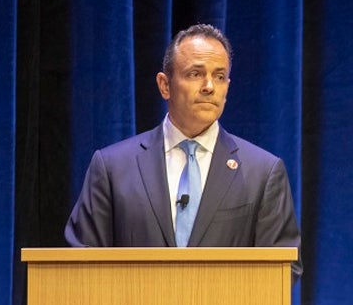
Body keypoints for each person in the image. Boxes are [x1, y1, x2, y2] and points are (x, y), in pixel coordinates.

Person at [65, 23, 303, 276]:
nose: (209, 86)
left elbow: (283, 270)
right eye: (195, 74)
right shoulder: (112, 167)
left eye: (219, 76)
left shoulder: (262, 172)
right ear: (165, 85)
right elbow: (82, 263)